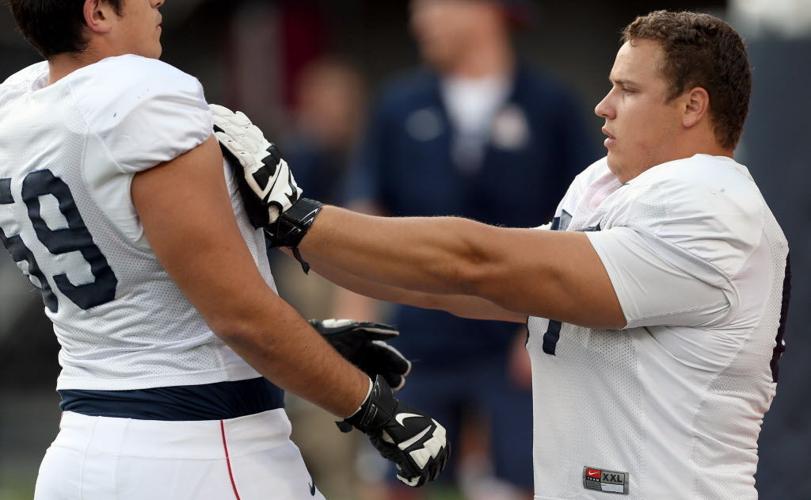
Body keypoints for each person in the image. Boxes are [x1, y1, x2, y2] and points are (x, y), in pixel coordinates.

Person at [224, 10, 791, 499]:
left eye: (628, 90)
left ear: (692, 105)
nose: (604, 106)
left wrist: (299, 215)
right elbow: (457, 287)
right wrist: (294, 236)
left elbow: (480, 263)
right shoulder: (611, 188)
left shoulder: (711, 205)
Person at [0, 1, 449, 499]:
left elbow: (143, 281)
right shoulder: (142, 94)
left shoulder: (18, 106)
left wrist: (300, 340)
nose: (158, 0)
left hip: (80, 448)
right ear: (98, 13)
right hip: (199, 446)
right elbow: (240, 318)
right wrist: (375, 410)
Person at [339, 0, 597, 496]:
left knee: (528, 480)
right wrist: (355, 334)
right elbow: (362, 222)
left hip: (517, 341)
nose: (420, 19)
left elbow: (586, 226)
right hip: (417, 339)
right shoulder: (398, 106)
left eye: (434, 5)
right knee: (393, 482)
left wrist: (557, 327)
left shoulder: (551, 105)